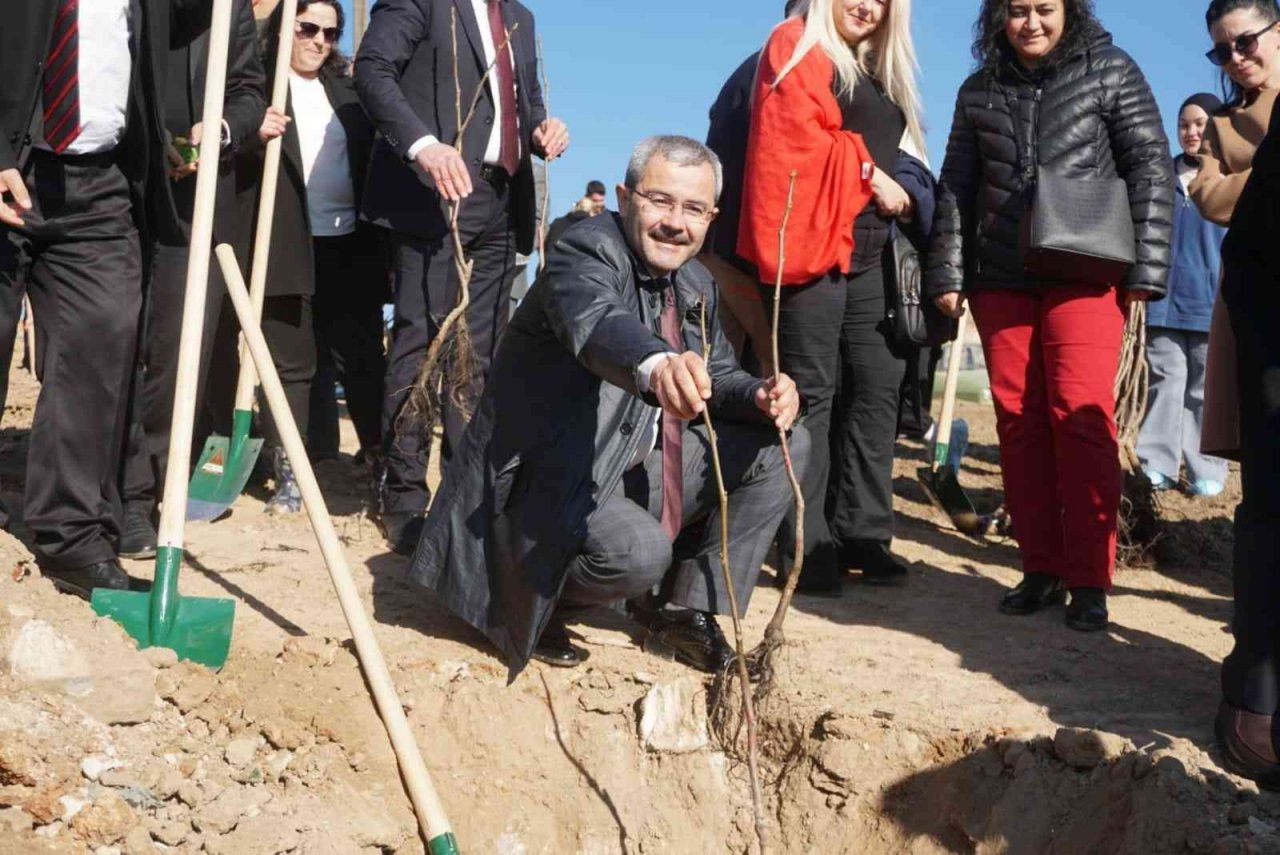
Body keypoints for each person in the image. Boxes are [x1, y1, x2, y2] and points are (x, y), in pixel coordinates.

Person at [409, 136, 807, 677]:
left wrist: (759, 394)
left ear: (711, 218)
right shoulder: (586, 248)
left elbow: (714, 372)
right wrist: (657, 364)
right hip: (541, 481)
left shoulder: (694, 282)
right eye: (660, 201)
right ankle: (531, 600)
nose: (676, 222)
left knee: (784, 444)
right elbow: (597, 320)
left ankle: (681, 610)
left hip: (624, 468)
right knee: (638, 552)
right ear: (624, 198)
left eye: (694, 209)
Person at [927, 0, 1173, 632]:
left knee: (1081, 419)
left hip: (1086, 270)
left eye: (1045, 9)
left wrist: (1146, 270)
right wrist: (948, 275)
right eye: (1017, 11)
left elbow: (1149, 164)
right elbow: (956, 184)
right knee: (1018, 422)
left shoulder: (1112, 70)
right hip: (1001, 278)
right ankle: (1041, 567)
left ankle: (1090, 578)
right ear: (997, 18)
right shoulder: (978, 88)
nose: (1031, 22)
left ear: (1069, 11)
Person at [0, 0, 220, 598]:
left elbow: (190, 16)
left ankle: (71, 535)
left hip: (100, 183)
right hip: (11, 165)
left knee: (101, 348)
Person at [355, 0, 570, 555]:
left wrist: (545, 131)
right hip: (433, 197)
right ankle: (401, 493)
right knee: (421, 344)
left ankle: (462, 488)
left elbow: (528, 107)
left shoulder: (520, 18)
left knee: (479, 355)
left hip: (504, 202)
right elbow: (372, 68)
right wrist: (423, 146)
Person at [738, 0, 927, 595]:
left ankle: (863, 533)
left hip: (871, 251)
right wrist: (873, 177)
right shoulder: (793, 43)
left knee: (876, 386)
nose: (867, 5)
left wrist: (901, 187)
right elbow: (793, 145)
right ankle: (805, 541)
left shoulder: (877, 66)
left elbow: (907, 158)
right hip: (811, 246)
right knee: (811, 394)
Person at [116, 0, 270, 552]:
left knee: (176, 353)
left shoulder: (231, 11)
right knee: (107, 340)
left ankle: (141, 496)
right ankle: (93, 488)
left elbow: (250, 91)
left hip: (188, 205)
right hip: (113, 189)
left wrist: (222, 129)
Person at [1188, 0, 1280, 789]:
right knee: (1270, 506)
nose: (1236, 58)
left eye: (1246, 40)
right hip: (1265, 317)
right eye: (1222, 51)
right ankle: (1253, 696)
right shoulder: (1221, 126)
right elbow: (1211, 198)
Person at [252, 1, 388, 501]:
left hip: (349, 245)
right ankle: (290, 468)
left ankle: (378, 460)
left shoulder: (348, 92)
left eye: (330, 34)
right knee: (291, 363)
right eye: (308, 29)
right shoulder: (258, 86)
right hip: (285, 242)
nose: (318, 42)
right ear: (283, 28)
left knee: (363, 360)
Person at [702, 0, 803, 374]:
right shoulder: (783, 66)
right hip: (739, 251)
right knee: (758, 369)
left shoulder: (753, 66)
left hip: (725, 245)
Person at [1137, 93, 1230, 498]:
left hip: (1212, 304)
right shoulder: (1161, 177)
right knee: (1164, 382)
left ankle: (1205, 469)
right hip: (1162, 302)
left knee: (1203, 392)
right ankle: (1156, 464)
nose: (1192, 132)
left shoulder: (1230, 178)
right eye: (1185, 124)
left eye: (1201, 123)